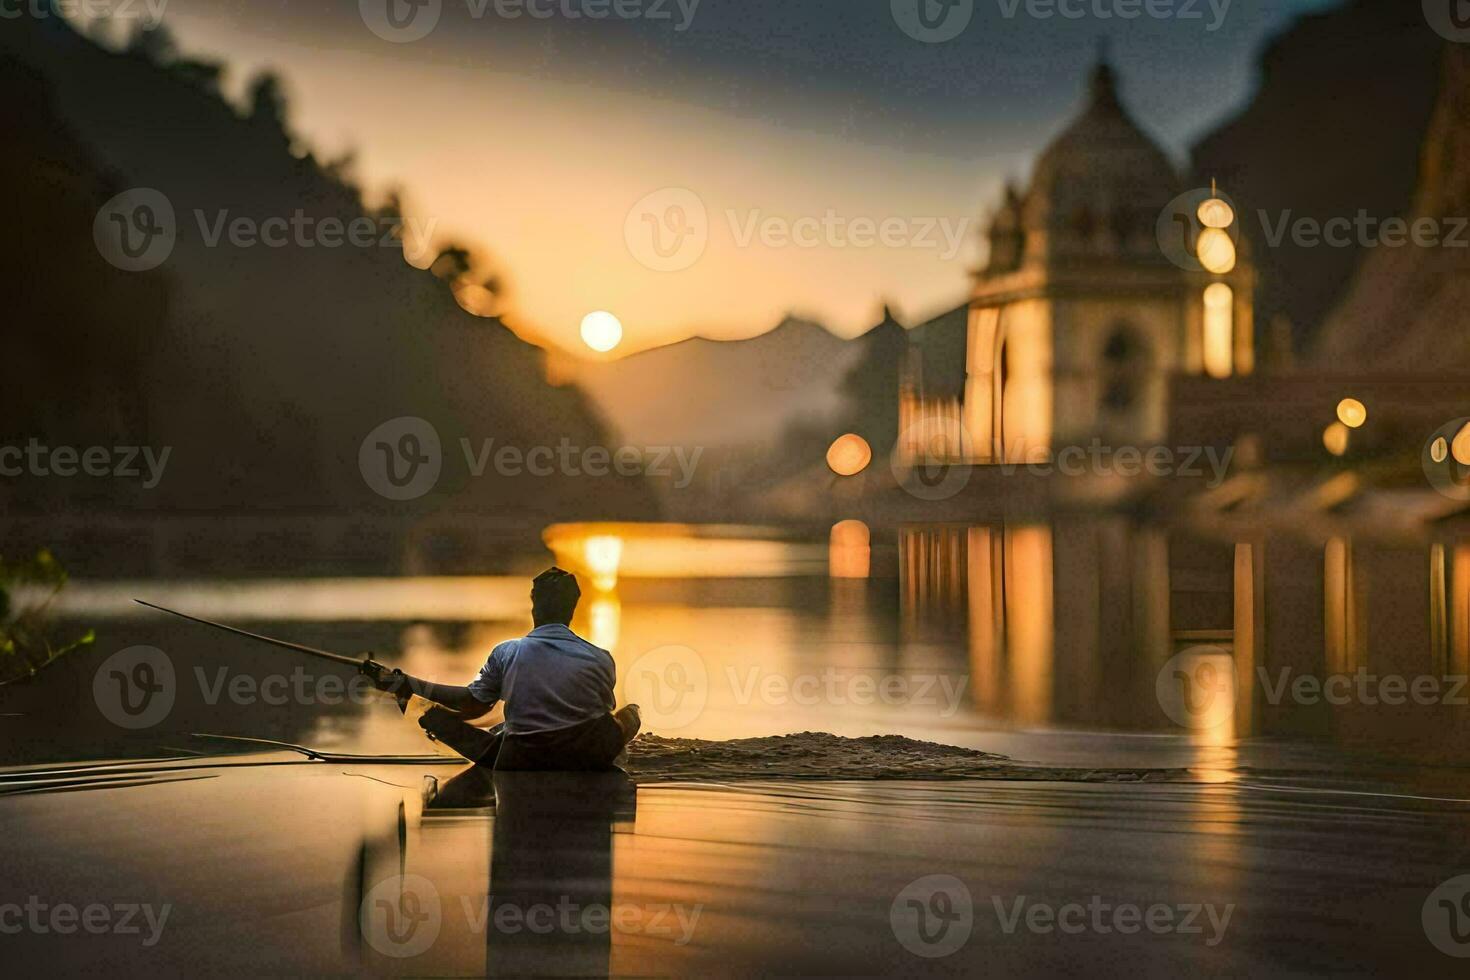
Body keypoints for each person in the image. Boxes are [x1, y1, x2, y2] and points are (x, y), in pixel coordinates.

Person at [361, 567, 640, 771]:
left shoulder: (507, 652)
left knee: (491, 726)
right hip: (586, 758)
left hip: (518, 760)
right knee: (631, 713)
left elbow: (473, 704)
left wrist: (404, 684)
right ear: (572, 608)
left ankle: (505, 733)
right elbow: (598, 714)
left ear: (534, 605)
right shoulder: (600, 657)